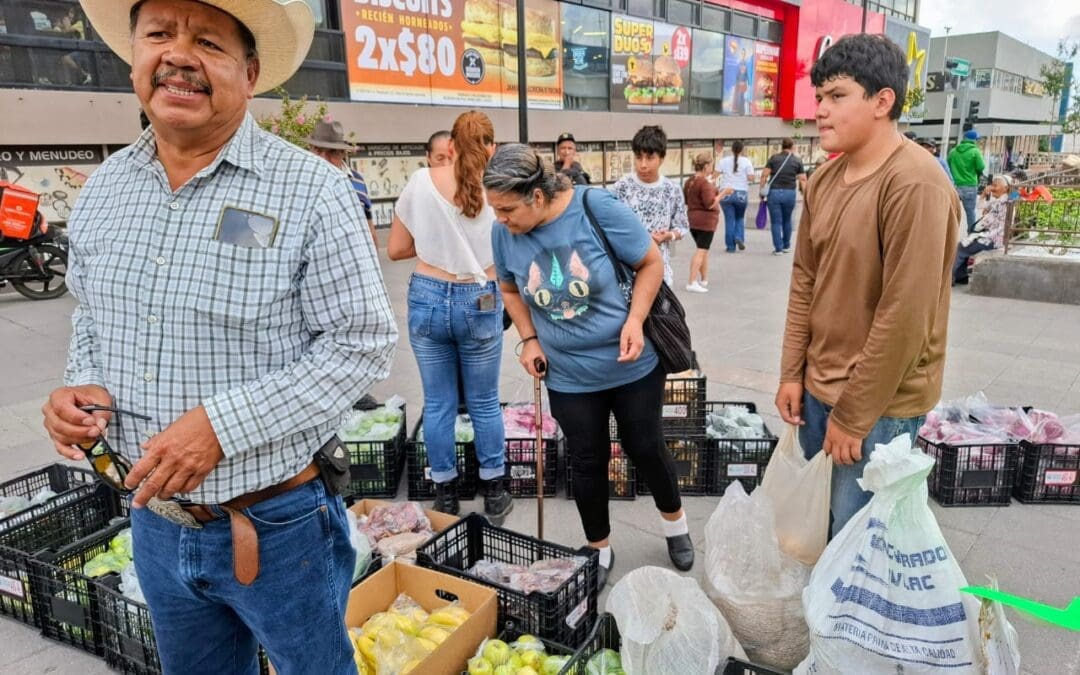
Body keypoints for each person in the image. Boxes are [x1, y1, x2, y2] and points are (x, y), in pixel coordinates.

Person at [41, 1, 397, 673]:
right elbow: (90, 312)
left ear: (250, 72)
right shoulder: (105, 189)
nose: (178, 56)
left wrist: (221, 427)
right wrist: (82, 382)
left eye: (207, 42)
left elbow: (361, 343)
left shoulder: (311, 191)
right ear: (134, 57)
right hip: (154, 518)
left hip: (278, 524)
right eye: (159, 35)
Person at [484, 144, 694, 589]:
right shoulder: (504, 233)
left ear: (536, 196)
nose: (500, 219)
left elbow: (650, 263)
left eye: (507, 209)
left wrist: (635, 320)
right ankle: (598, 546)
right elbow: (509, 288)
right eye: (495, 210)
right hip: (568, 373)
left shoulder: (596, 208)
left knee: (645, 446)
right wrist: (529, 339)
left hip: (631, 363)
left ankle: (675, 524)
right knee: (586, 459)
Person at [775, 34, 959, 537]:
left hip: (880, 405)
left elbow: (905, 315)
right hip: (818, 388)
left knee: (859, 543)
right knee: (819, 529)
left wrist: (854, 416)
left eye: (837, 96)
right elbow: (805, 282)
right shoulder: (825, 181)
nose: (820, 110)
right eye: (819, 97)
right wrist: (792, 373)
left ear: (882, 101)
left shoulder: (915, 183)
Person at [387, 110, 512, 520]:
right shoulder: (501, 188)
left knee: (438, 403)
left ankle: (444, 494)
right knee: (484, 401)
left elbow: (396, 249)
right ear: (492, 148)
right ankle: (494, 491)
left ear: (451, 146)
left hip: (427, 294)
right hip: (481, 296)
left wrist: (433, 243)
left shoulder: (420, 181)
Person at [610, 125, 689, 286]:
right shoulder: (622, 187)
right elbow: (609, 226)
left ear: (661, 158)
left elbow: (682, 227)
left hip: (660, 273)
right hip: (626, 273)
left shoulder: (672, 189)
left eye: (650, 158)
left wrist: (667, 236)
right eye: (639, 157)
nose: (643, 165)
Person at [305, 117, 378, 244]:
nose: (324, 159)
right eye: (318, 150)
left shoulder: (357, 181)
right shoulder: (302, 182)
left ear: (343, 153)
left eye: (332, 152)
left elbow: (369, 231)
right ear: (310, 149)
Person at [953, 174, 1013, 285]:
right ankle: (960, 276)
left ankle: (952, 277)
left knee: (962, 247)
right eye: (992, 185)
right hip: (989, 235)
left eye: (995, 185)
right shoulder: (999, 201)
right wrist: (984, 194)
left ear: (1005, 188)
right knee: (963, 246)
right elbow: (980, 206)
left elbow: (1000, 227)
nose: (992, 187)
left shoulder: (1005, 203)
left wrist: (980, 234)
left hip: (993, 239)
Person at [759, 138, 806, 255]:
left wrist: (762, 191)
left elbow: (764, 175)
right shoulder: (797, 160)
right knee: (787, 220)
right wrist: (806, 194)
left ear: (782, 146)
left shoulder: (774, 158)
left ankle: (778, 248)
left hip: (774, 192)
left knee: (776, 222)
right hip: (789, 193)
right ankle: (786, 246)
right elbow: (803, 179)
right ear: (792, 146)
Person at [683, 152, 720, 292]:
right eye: (711, 165)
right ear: (706, 166)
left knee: (703, 250)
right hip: (706, 222)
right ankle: (692, 282)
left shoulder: (689, 181)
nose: (712, 168)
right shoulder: (704, 183)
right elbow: (710, 203)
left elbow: (686, 200)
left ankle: (704, 279)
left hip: (693, 219)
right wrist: (723, 193)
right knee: (701, 250)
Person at [716, 139, 755, 252]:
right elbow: (751, 178)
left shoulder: (723, 161)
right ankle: (739, 237)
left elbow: (715, 175)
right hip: (741, 193)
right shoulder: (747, 161)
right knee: (740, 217)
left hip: (726, 193)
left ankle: (730, 247)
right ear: (742, 150)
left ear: (731, 149)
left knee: (729, 220)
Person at [948, 130, 986, 232]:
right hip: (969, 185)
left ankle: (950, 232)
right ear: (974, 140)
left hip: (954, 186)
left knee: (952, 211)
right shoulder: (975, 151)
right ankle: (971, 233)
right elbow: (981, 167)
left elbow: (947, 166)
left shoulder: (953, 151)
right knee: (970, 212)